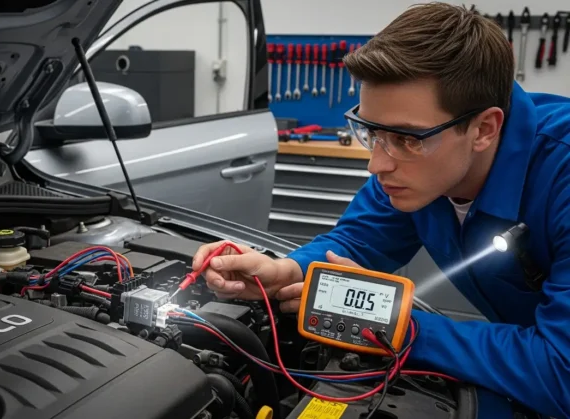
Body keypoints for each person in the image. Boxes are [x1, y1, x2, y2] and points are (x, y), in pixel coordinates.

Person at [193, 3, 570, 418]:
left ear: (483, 129)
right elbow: (356, 240)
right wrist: (288, 270)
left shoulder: (561, 176)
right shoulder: (424, 162)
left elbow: (561, 371)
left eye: (407, 139)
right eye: (372, 132)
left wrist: (389, 324)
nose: (377, 165)